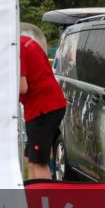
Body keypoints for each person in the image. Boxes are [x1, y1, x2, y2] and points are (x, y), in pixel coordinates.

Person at [19, 33, 67, 180]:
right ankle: (33, 199)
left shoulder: (16, 48)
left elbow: (22, 87)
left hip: (43, 108)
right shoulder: (25, 41)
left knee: (39, 162)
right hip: (47, 105)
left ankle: (44, 201)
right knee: (30, 159)